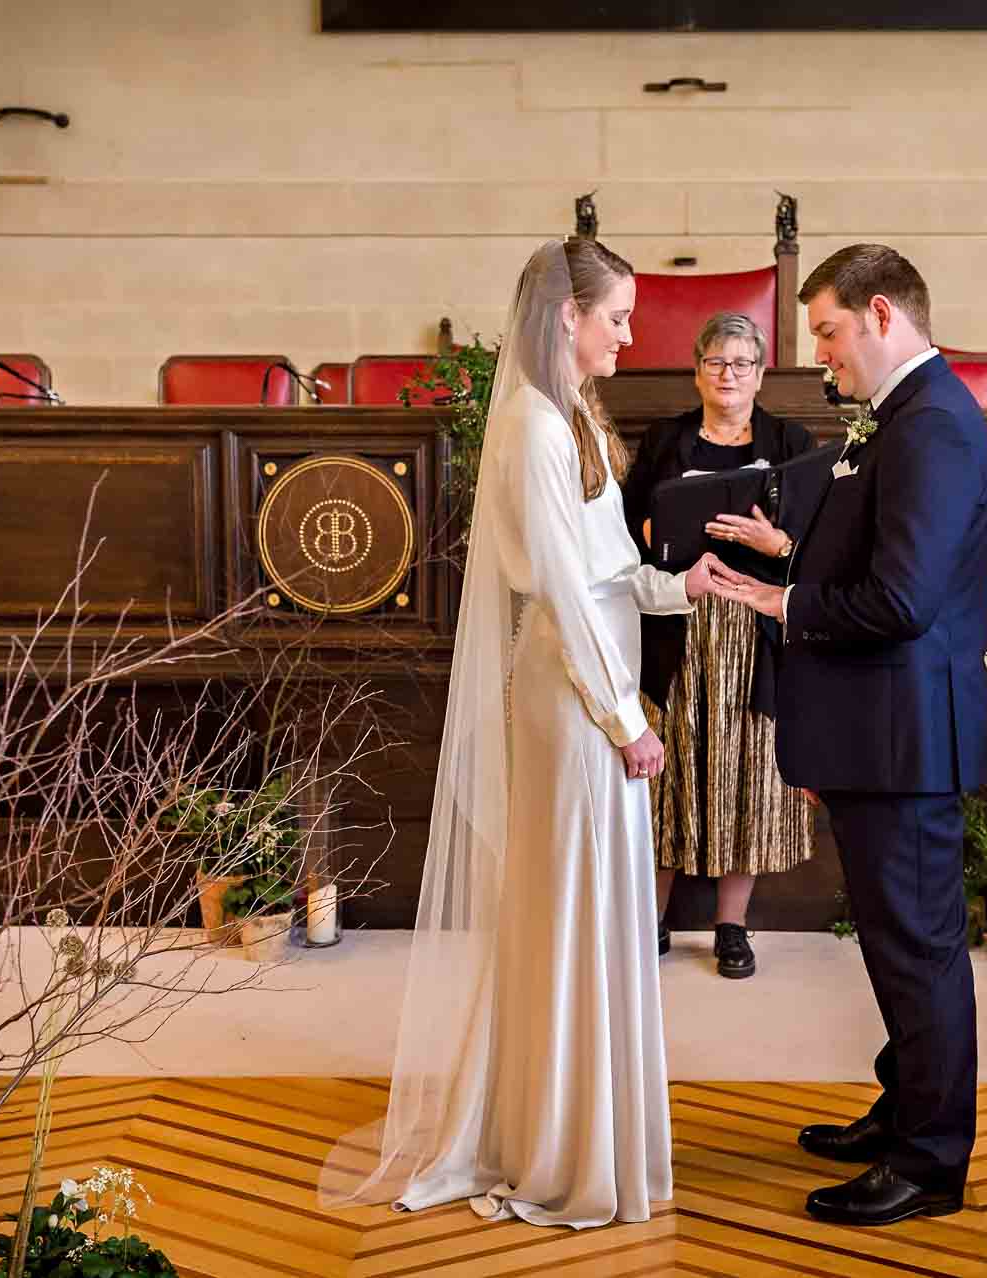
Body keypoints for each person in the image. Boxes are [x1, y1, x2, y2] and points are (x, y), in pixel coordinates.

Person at [320, 237, 719, 1229]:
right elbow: (561, 596)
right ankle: (561, 1146)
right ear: (565, 317)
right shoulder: (534, 428)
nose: (631, 332)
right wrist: (628, 720)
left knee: (594, 904)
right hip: (575, 694)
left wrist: (684, 585)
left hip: (595, 679)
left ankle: (582, 1127)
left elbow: (607, 568)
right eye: (617, 315)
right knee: (576, 904)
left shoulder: (571, 415)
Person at [708, 243, 987, 1227]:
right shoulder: (906, 418)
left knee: (917, 949)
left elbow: (903, 598)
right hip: (880, 733)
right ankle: (906, 1109)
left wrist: (787, 604)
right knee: (892, 942)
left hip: (905, 738)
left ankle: (930, 1159)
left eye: (827, 331)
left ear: (882, 314)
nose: (819, 354)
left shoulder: (935, 426)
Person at [621, 311, 817, 980]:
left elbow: (820, 543)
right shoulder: (666, 438)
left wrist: (777, 545)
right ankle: (653, 920)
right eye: (715, 362)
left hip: (757, 625)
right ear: (697, 370)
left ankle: (732, 926)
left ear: (761, 375)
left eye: (741, 364)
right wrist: (656, 530)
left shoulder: (791, 441)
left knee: (746, 776)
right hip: (678, 621)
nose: (728, 375)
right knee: (671, 771)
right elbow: (628, 526)